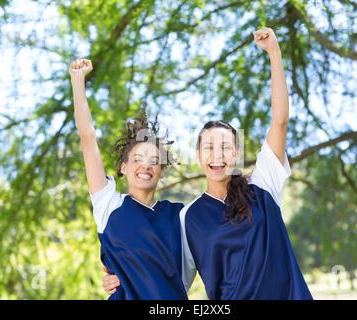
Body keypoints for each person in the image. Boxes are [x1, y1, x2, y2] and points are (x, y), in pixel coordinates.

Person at [102, 27, 312, 300]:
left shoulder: (262, 185)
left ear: (235, 154)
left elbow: (280, 121)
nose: (217, 155)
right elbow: (160, 271)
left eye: (225, 147)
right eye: (209, 147)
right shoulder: (187, 218)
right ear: (199, 156)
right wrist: (118, 278)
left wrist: (274, 52)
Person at [69, 58, 187, 300]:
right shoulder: (108, 205)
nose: (145, 165)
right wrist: (78, 80)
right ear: (123, 167)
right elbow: (88, 138)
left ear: (162, 170)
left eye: (154, 160)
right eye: (138, 158)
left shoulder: (179, 216)